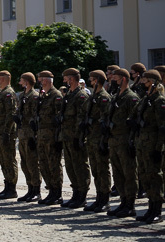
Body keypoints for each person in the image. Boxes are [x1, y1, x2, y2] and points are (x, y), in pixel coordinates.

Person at [105, 68, 140, 218]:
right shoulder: (116, 96)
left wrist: (133, 142)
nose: (113, 80)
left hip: (125, 140)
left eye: (116, 78)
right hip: (114, 140)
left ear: (123, 79)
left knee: (129, 174)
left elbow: (134, 122)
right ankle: (123, 202)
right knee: (118, 173)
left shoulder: (131, 97)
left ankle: (130, 205)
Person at [132, 70, 165, 224]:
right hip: (142, 143)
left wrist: (159, 148)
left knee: (155, 177)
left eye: (145, 81)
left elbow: (162, 127)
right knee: (144, 176)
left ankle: (157, 209)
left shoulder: (159, 101)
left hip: (152, 145)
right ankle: (150, 208)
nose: (142, 84)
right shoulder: (146, 99)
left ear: (153, 83)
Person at [60, 68, 90, 209]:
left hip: (76, 137)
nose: (65, 81)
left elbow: (81, 118)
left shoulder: (81, 95)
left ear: (72, 79)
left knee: (80, 166)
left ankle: (82, 195)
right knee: (71, 167)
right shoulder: (69, 95)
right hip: (67, 136)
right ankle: (75, 193)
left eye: (66, 78)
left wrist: (79, 137)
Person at [82, 70, 112, 213]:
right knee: (96, 170)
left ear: (98, 80)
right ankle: (99, 198)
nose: (91, 82)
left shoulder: (104, 97)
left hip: (99, 138)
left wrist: (104, 141)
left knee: (102, 169)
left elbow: (105, 119)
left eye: (93, 79)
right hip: (92, 137)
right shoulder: (93, 96)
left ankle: (105, 199)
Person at [35, 71, 64, 205]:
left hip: (52, 136)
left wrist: (58, 138)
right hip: (42, 136)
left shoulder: (56, 95)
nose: (41, 82)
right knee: (44, 164)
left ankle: (57, 192)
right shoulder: (43, 96)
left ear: (49, 80)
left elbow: (59, 118)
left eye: (43, 80)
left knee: (53, 164)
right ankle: (51, 190)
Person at [0, 70, 18, 199]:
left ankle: (12, 188)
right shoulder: (1, 92)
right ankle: (7, 186)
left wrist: (7, 131)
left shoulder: (8, 93)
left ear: (5, 78)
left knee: (9, 159)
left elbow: (10, 114)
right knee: (3, 159)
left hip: (6, 132)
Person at [14, 72, 41, 202]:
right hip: (22, 133)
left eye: (22, 80)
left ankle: (36, 190)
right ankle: (30, 188)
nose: (20, 82)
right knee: (24, 163)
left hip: (30, 134)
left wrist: (34, 135)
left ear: (27, 81)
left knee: (32, 163)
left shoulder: (34, 96)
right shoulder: (23, 96)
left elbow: (35, 116)